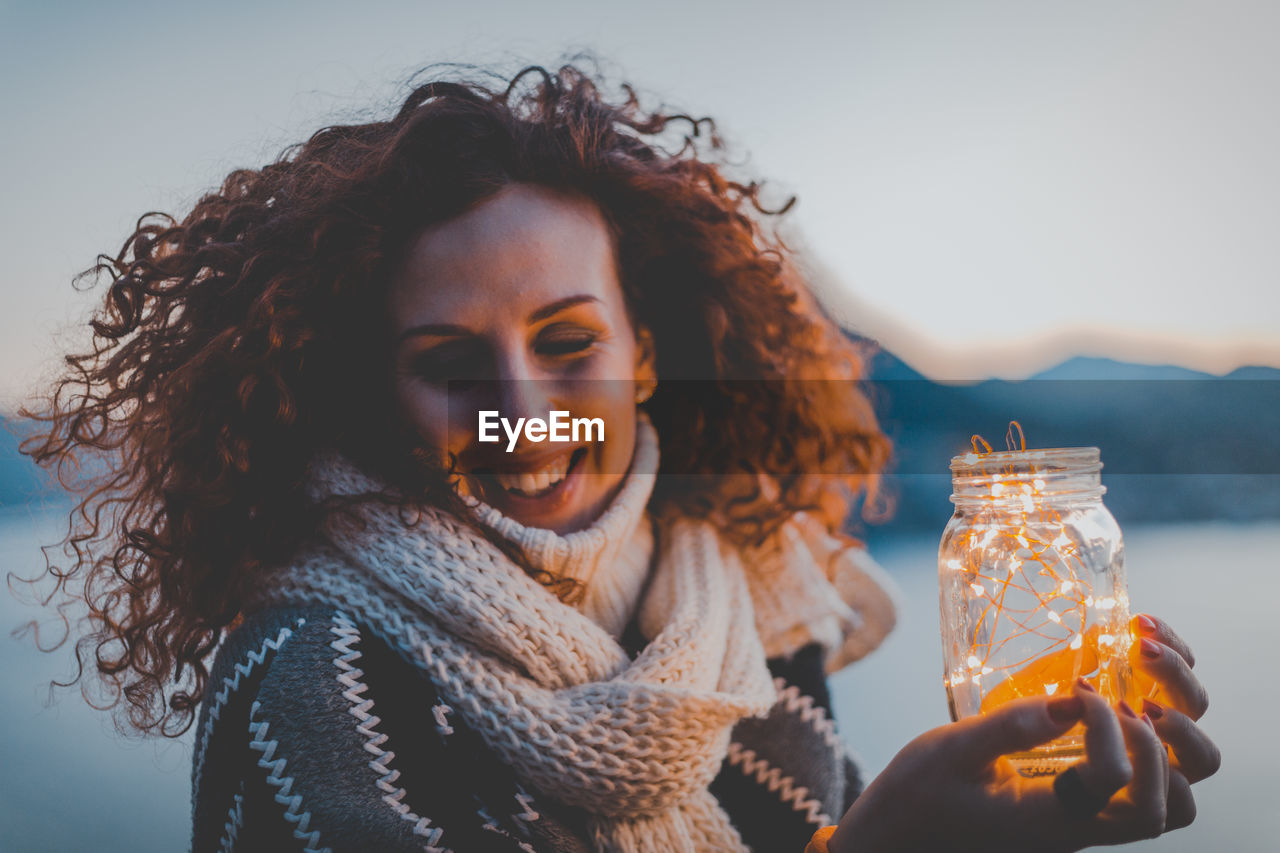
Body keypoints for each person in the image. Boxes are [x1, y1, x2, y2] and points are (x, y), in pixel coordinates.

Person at [18, 61, 1218, 852]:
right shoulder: (310, 679)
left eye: (568, 340)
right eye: (448, 362)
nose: (527, 410)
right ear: (369, 391)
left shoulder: (754, 600)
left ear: (648, 348)